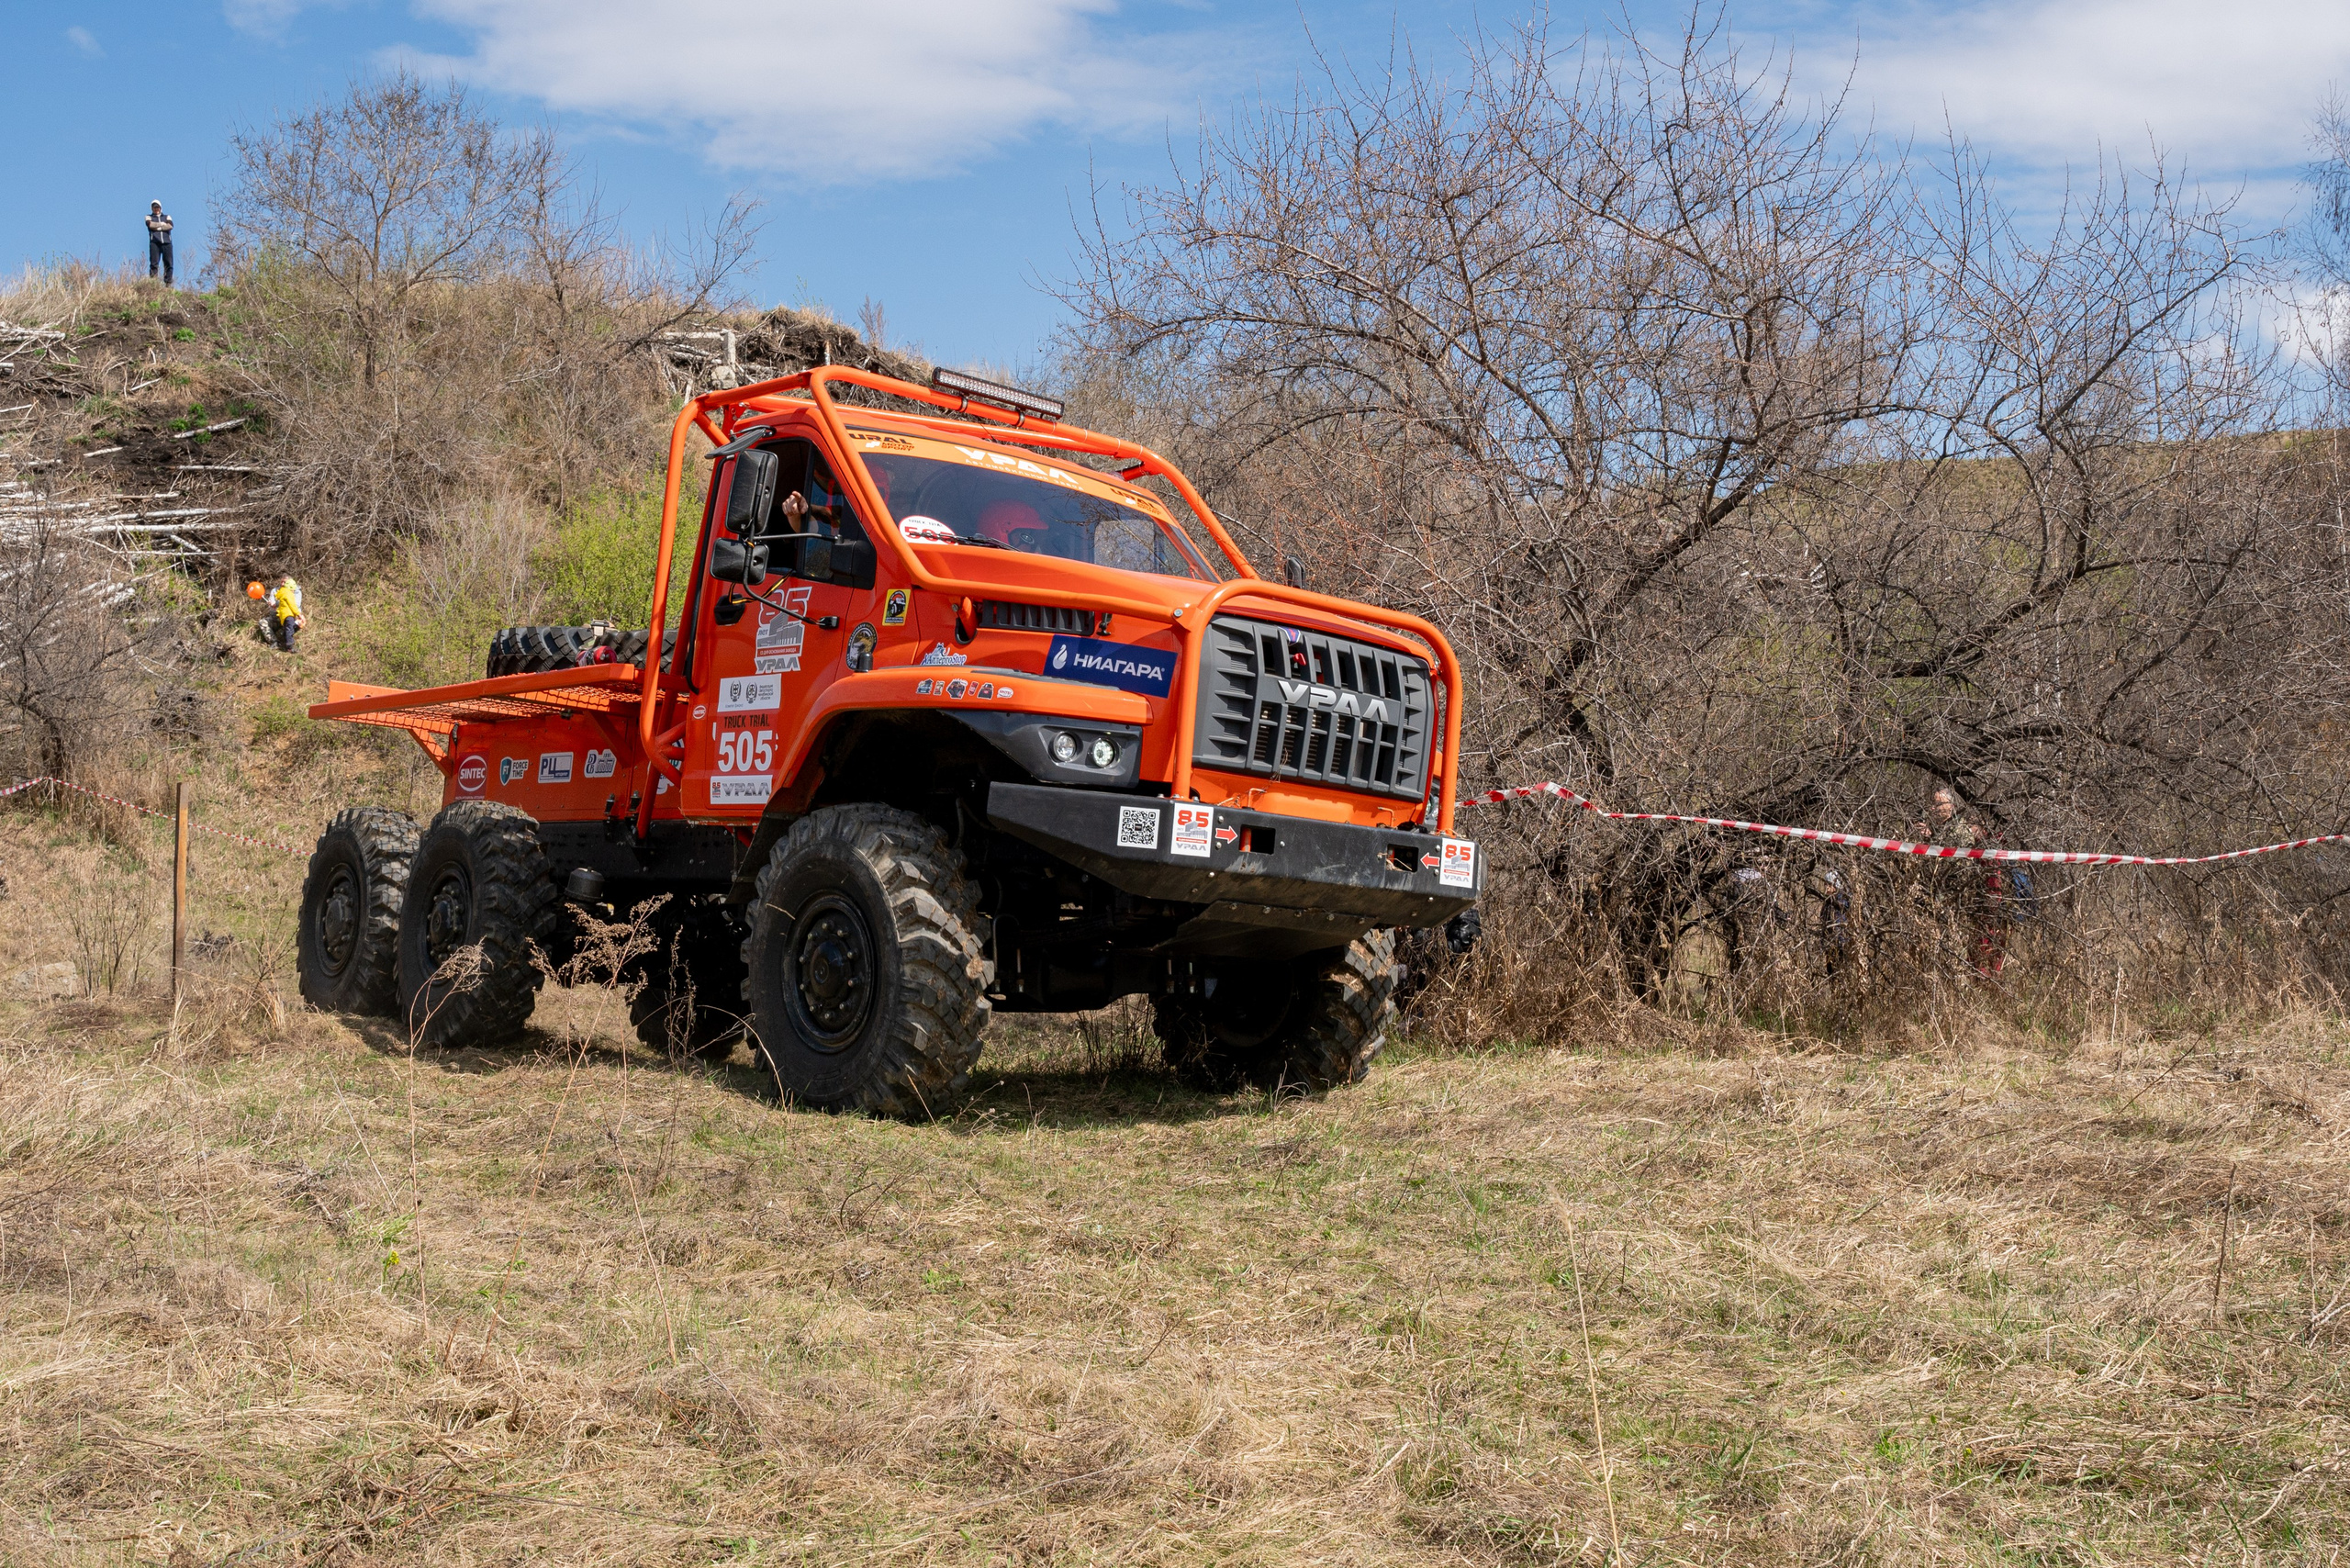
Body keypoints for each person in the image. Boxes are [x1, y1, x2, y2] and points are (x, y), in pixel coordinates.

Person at [1912, 786, 2008, 975]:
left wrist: (1930, 841)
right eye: (1932, 804)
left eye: (1938, 804)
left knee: (1957, 953)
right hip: (1935, 900)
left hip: (1955, 901)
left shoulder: (1958, 831)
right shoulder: (1940, 829)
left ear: (1951, 805)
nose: (1933, 808)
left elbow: (1951, 867)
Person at [256, 576, 304, 652]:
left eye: (284, 582)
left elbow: (295, 605)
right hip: (277, 616)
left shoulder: (296, 591)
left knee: (297, 623)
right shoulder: (274, 591)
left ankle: (286, 641)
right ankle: (274, 642)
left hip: (291, 616)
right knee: (263, 622)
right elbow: (272, 607)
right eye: (281, 581)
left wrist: (277, 604)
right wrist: (272, 606)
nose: (282, 584)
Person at [145, 201, 174, 286]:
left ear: (160, 208)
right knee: (154, 263)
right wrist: (162, 225)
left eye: (157, 207)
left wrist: (157, 227)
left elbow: (170, 226)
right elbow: (150, 225)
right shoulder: (148, 217)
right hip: (155, 243)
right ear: (152, 208)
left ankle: (168, 283)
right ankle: (153, 283)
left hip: (167, 243)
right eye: (154, 207)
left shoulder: (167, 216)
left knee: (168, 263)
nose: (156, 209)